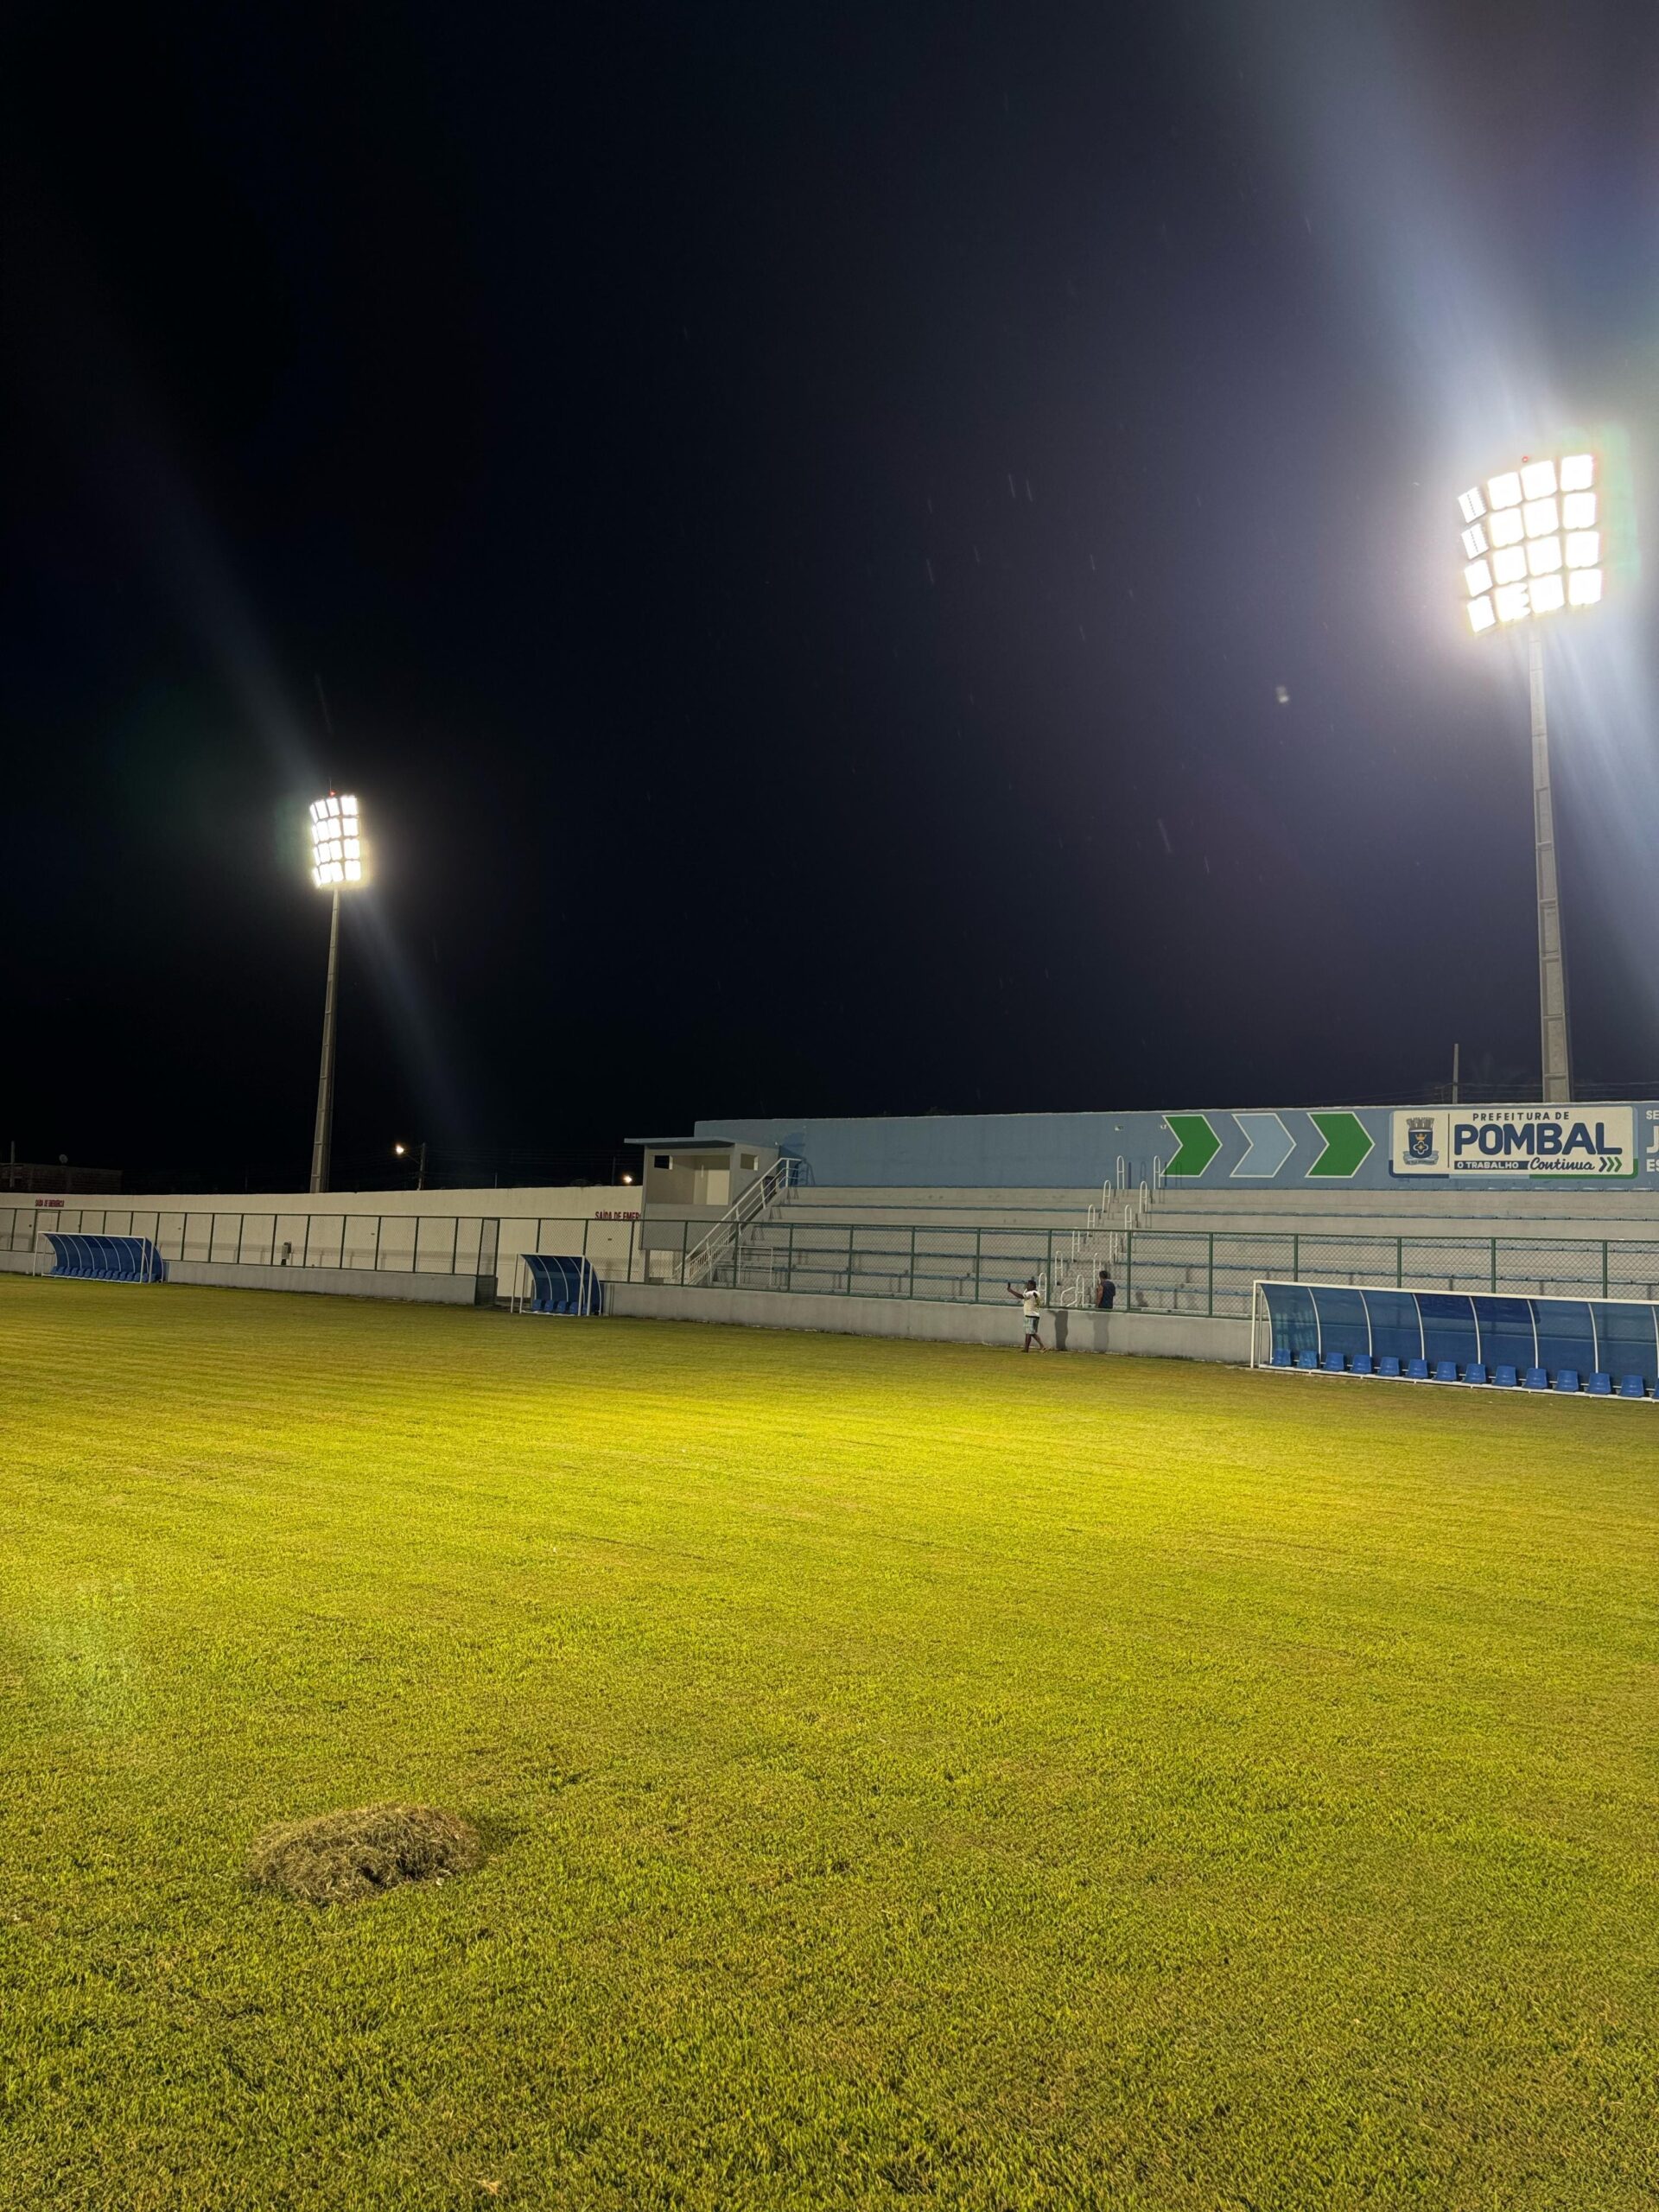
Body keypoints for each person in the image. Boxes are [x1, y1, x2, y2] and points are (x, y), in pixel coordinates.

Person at [1006, 1275, 1046, 1351]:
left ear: (1032, 1286)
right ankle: (1042, 1346)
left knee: (1028, 1332)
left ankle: (1026, 1349)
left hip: (1030, 1315)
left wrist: (1011, 1290)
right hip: (1036, 1315)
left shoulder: (1031, 1293)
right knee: (1032, 1332)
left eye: (1028, 1285)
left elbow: (1021, 1296)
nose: (1027, 1286)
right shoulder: (1037, 1293)